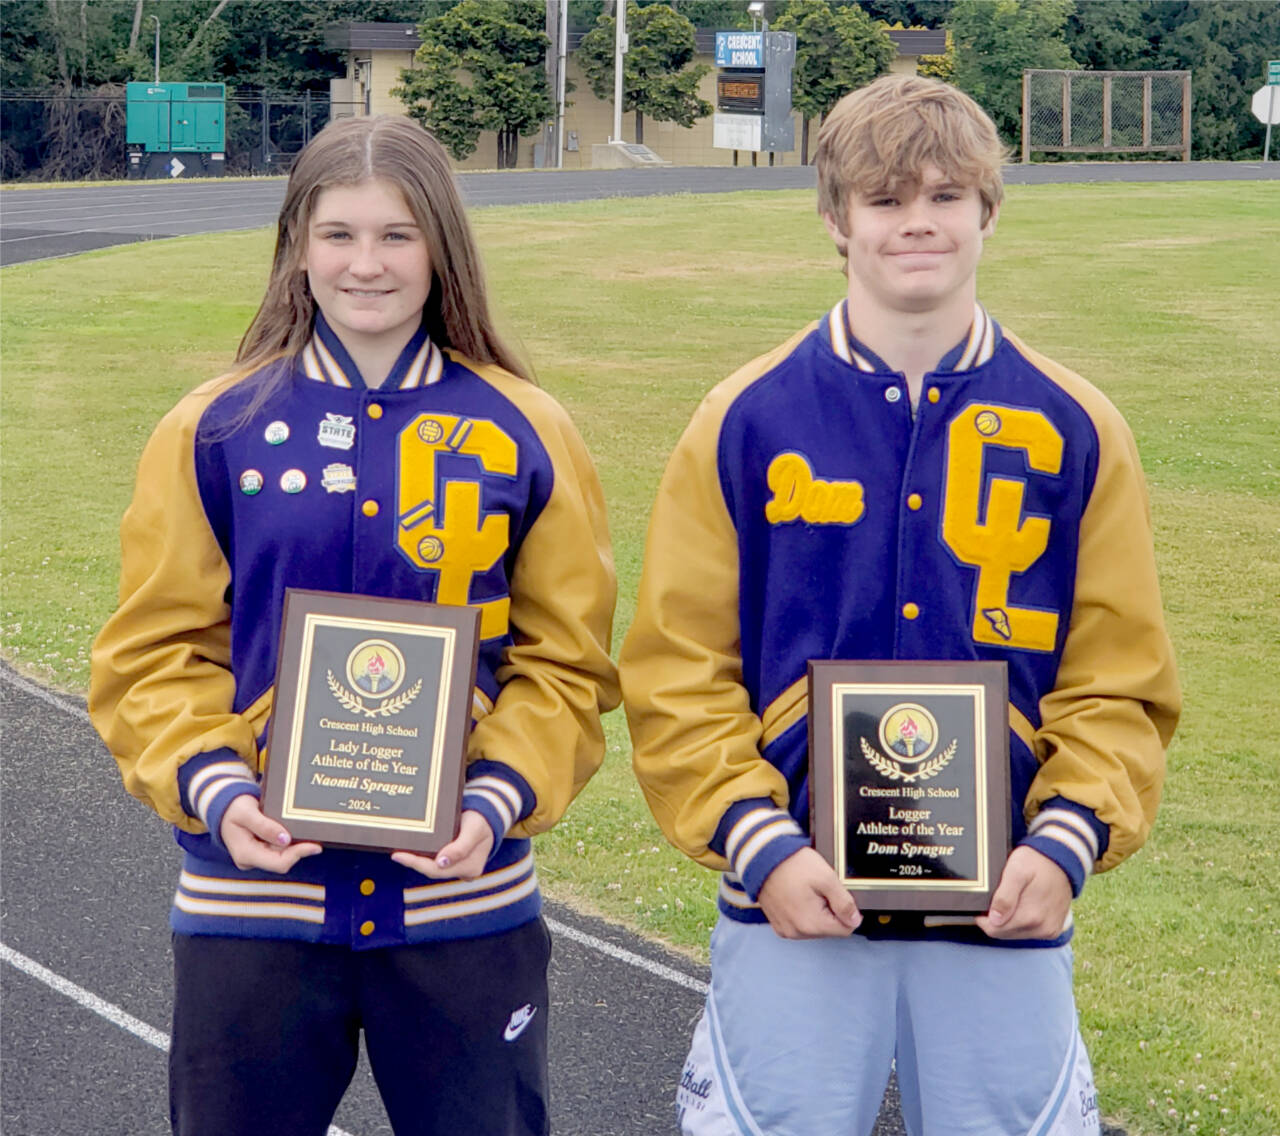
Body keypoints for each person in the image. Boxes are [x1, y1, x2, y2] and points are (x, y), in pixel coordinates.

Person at [620, 74, 1180, 1136]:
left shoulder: (1076, 425)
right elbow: (676, 666)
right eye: (883, 200)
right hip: (790, 896)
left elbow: (1117, 675)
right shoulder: (743, 417)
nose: (915, 221)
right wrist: (757, 840)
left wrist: (1065, 836)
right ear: (833, 219)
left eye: (942, 195)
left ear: (987, 210)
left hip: (1002, 902)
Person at [89, 115, 619, 1136]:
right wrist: (215, 782)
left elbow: (564, 663)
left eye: (395, 235)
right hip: (254, 908)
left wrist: (496, 797)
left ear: (441, 248)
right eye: (337, 234)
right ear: (296, 245)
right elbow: (153, 651)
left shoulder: (525, 427)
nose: (364, 263)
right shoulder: (216, 426)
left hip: (463, 910)